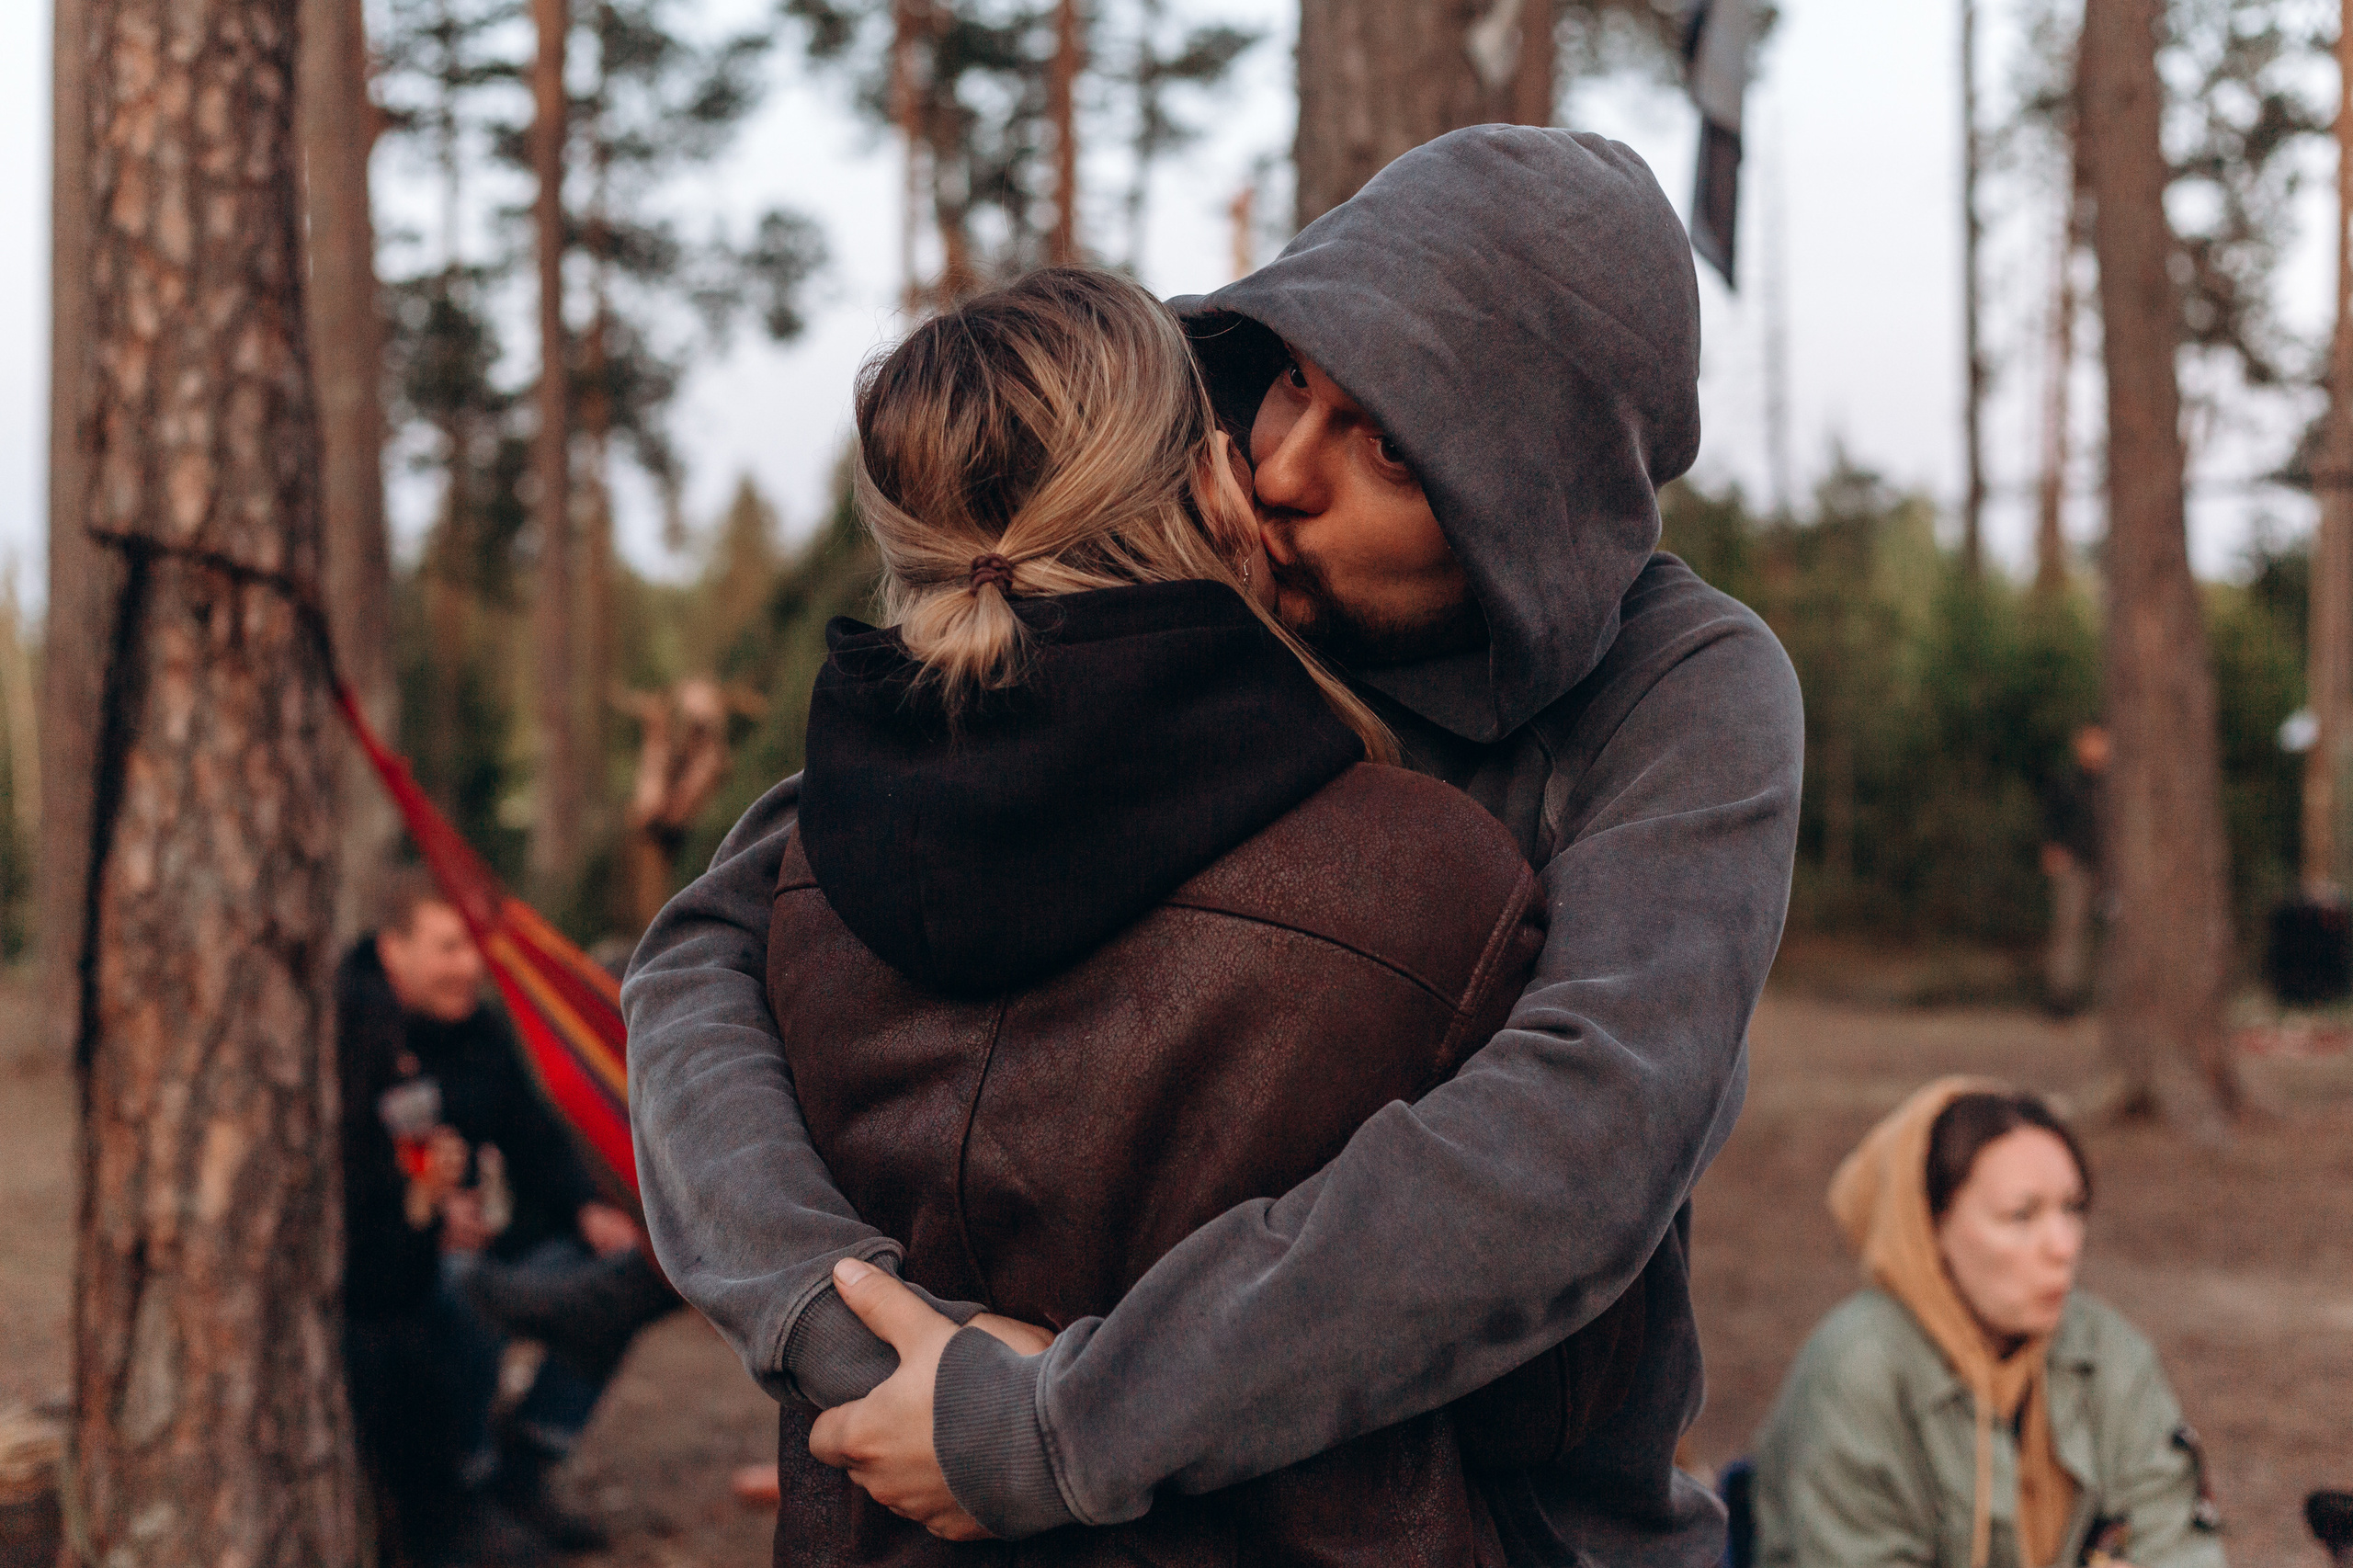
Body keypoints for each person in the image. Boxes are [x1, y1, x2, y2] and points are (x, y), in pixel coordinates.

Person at [624, 124, 1805, 1563]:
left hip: (1531, 1518)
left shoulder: (1679, 690)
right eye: (1292, 376)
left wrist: (1066, 1420)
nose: (1279, 465)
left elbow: (1579, 1138)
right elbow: (714, 939)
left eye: (1387, 446)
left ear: (1540, 517)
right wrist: (836, 1318)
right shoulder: (1215, 583)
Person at [1749, 1082, 2224, 1568]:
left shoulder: (2106, 1350)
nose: (2063, 1246)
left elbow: (2180, 1545)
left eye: (2072, 1208)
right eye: (2021, 1215)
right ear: (1931, 1226)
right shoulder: (1857, 1371)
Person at [339, 869, 672, 1561]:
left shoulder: (477, 1029)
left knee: (627, 1269)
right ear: (392, 948)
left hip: (493, 1247)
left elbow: (535, 1134)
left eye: (473, 948)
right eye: (448, 948)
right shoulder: (353, 1032)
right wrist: (425, 1213)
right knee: (458, 1292)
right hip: (405, 1272)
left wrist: (587, 1208)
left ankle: (523, 1474)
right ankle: (467, 1485)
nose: (470, 967)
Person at [2040, 723, 2109, 1014]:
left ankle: (2105, 997)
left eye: (2101, 741)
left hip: (2110, 869)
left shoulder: (2117, 785)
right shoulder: (2067, 781)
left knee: (2112, 931)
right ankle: (2062, 998)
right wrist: (2052, 851)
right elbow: (2051, 820)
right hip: (2074, 864)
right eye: (2089, 740)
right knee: (2069, 930)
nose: (2095, 747)